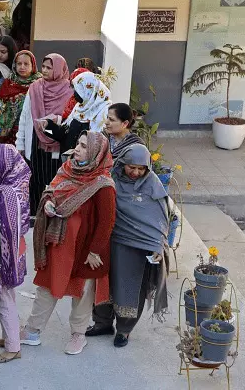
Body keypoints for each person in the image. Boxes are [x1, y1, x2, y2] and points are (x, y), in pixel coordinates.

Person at [20, 131, 116, 355]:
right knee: (47, 286)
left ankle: (78, 335)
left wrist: (95, 251)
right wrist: (48, 203)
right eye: (78, 144)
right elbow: (51, 190)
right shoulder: (67, 169)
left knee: (82, 293)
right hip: (60, 242)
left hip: (85, 250)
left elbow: (107, 222)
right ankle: (32, 331)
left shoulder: (103, 185)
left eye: (83, 146)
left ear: (95, 153)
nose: (78, 149)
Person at [87, 144, 169, 347]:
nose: (136, 172)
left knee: (129, 288)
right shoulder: (110, 180)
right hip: (109, 242)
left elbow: (160, 221)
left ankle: (124, 330)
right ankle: (102, 323)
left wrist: (158, 246)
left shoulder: (153, 186)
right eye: (131, 167)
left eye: (141, 169)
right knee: (103, 284)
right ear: (122, 163)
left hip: (135, 249)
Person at [0, 144, 31, 363]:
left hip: (7, 253)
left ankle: (13, 347)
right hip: (16, 249)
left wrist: (3, 262)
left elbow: (5, 229)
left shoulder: (7, 193)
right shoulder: (16, 182)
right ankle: (9, 337)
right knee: (8, 297)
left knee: (3, 298)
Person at [17, 53, 72, 215]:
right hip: (36, 139)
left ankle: (53, 213)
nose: (46, 70)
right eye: (44, 67)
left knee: (54, 178)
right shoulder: (35, 88)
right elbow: (25, 116)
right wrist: (20, 144)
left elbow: (70, 118)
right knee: (35, 178)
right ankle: (35, 214)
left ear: (59, 69)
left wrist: (56, 119)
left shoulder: (69, 91)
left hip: (57, 142)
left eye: (50, 67)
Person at [0, 50, 39, 190]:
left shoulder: (38, 84)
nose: (22, 67)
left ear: (33, 66)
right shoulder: (8, 83)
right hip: (8, 136)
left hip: (30, 135)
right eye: (19, 63)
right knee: (8, 169)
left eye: (26, 64)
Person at [47, 71, 114, 156]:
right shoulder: (80, 108)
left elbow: (100, 145)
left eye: (78, 89)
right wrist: (47, 127)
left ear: (90, 90)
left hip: (88, 165)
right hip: (69, 162)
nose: (75, 93)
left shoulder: (104, 111)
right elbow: (64, 135)